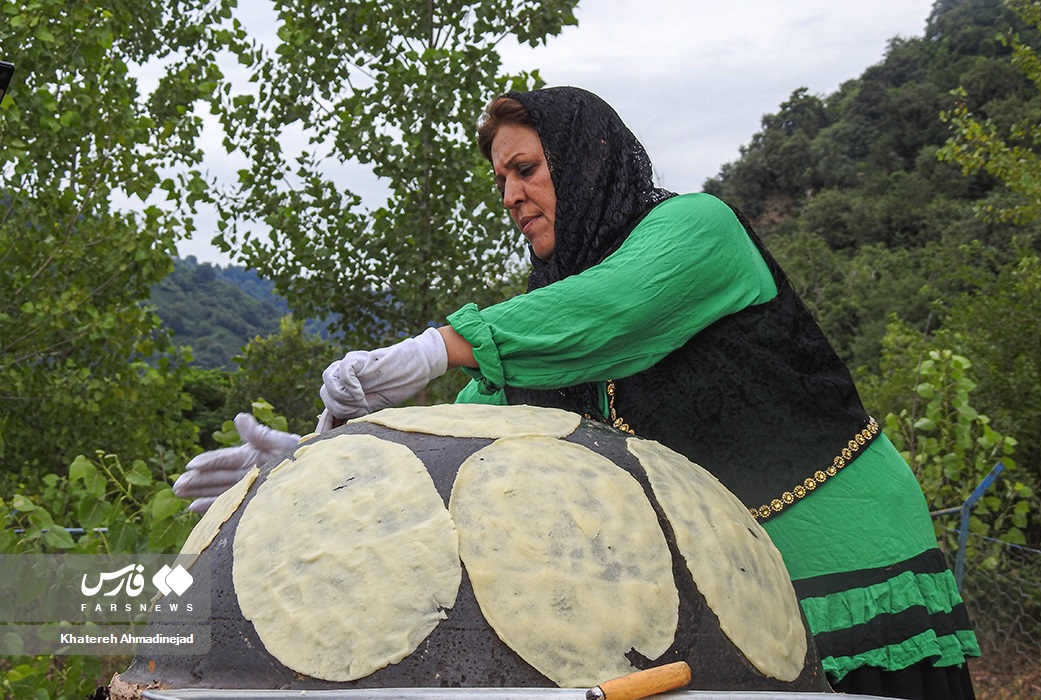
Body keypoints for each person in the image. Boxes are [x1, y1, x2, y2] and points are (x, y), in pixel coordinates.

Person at [174, 86, 980, 699]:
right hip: (736, 571)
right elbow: (483, 422)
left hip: (839, 537)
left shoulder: (698, 231)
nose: (512, 197)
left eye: (526, 170)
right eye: (501, 181)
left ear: (586, 159)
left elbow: (606, 314)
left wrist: (436, 347)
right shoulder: (549, 306)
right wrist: (324, 463)